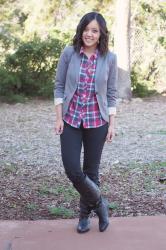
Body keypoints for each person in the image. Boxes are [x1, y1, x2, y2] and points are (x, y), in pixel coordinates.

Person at [54, 12, 117, 233]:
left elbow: (111, 93)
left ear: (101, 35)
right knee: (72, 168)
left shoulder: (109, 57)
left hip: (97, 121)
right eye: (86, 29)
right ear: (80, 30)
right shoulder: (69, 53)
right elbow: (59, 86)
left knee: (91, 171)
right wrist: (58, 117)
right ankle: (100, 203)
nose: (89, 34)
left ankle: (84, 217)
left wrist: (112, 123)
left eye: (94, 30)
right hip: (70, 120)